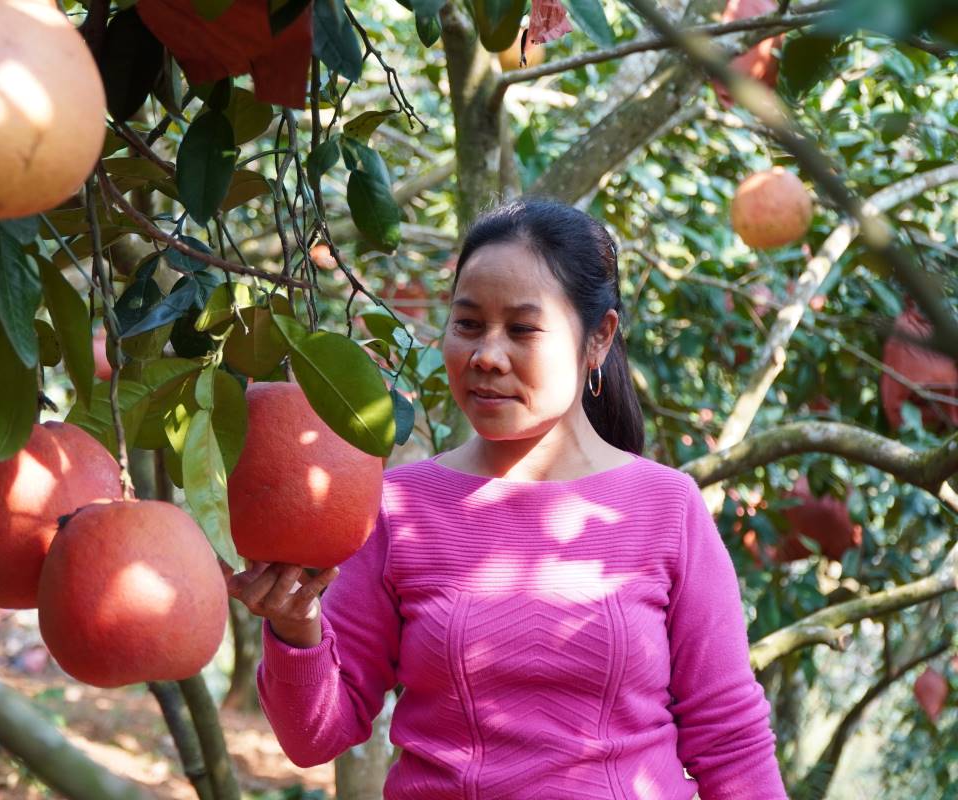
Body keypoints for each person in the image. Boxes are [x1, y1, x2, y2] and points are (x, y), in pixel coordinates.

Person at [225, 198, 787, 799]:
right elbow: (316, 736)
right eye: (467, 324)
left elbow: (730, 743)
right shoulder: (397, 509)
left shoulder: (666, 509)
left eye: (522, 329)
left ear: (598, 338)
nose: (486, 356)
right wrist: (295, 626)